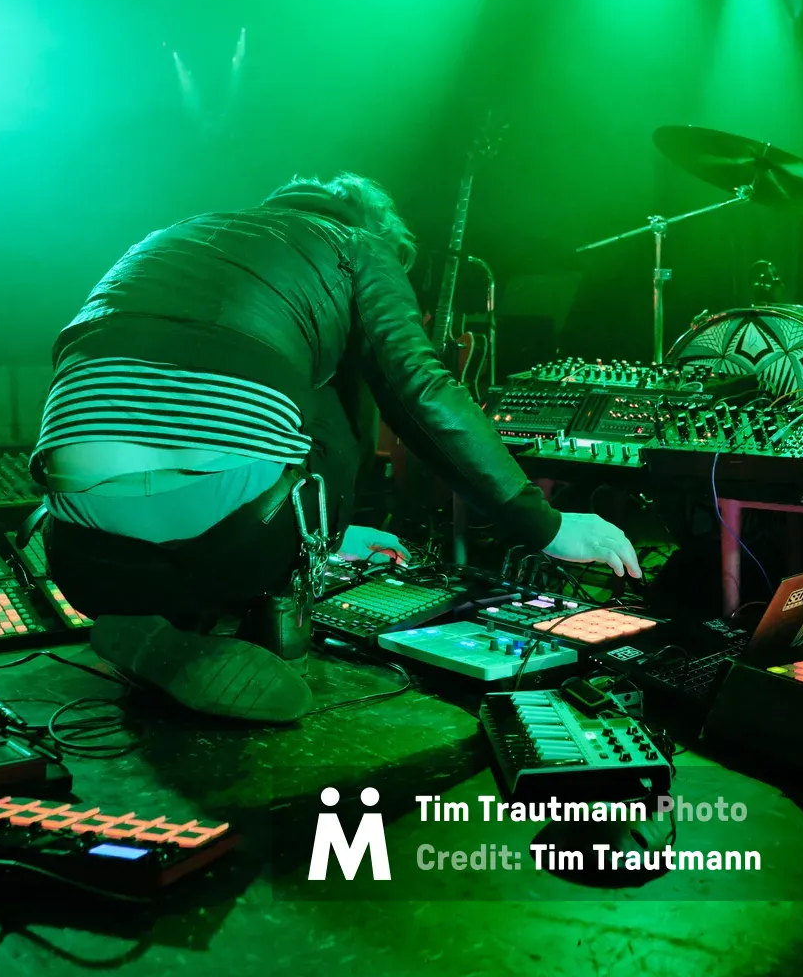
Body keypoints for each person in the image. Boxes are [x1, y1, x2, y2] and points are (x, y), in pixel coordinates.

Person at [31, 174, 639, 723]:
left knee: (263, 399)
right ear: (376, 229)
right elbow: (421, 392)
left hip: (79, 550)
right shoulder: (358, 247)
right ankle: (273, 634)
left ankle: (152, 621)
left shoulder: (172, 237)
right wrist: (544, 524)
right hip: (232, 542)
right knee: (316, 409)